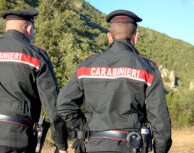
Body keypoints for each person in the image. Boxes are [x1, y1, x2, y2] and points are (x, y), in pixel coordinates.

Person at [57, 10, 172, 153]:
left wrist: (85, 127)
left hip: (92, 146)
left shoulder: (86, 65)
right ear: (135, 38)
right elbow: (160, 121)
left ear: (109, 37)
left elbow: (63, 104)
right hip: (131, 147)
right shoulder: (147, 68)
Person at [0, 8, 68, 153]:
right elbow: (53, 106)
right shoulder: (36, 55)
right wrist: (61, 144)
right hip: (18, 139)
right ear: (29, 28)